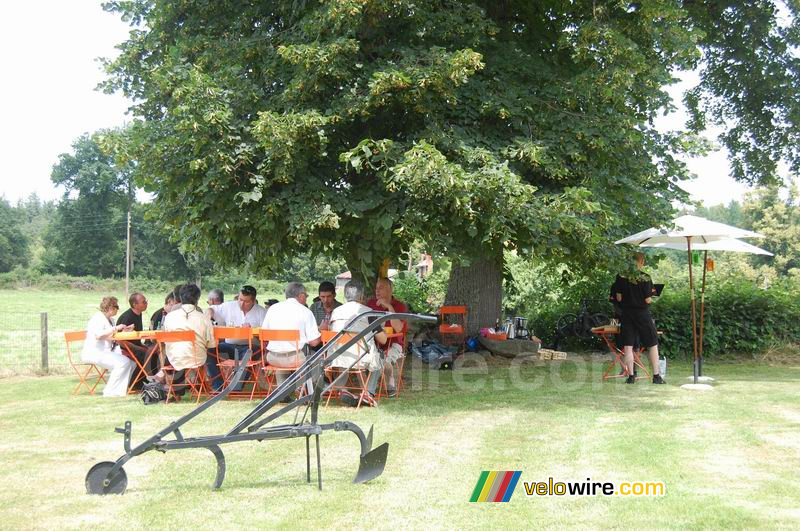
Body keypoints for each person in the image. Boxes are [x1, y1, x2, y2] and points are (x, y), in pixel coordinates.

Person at [330, 280, 388, 407]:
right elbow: (383, 340)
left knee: (345, 353)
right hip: (361, 357)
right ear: (362, 296)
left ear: (345, 295)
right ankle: (368, 393)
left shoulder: (335, 312)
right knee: (381, 356)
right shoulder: (368, 312)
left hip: (338, 357)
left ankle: (341, 389)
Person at [612, 252, 666, 384]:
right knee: (652, 344)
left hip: (627, 314)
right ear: (641, 262)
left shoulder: (620, 277)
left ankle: (631, 377)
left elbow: (618, 297)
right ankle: (656, 376)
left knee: (628, 346)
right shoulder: (645, 277)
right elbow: (648, 300)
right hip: (642, 314)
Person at [151, 284, 214, 395]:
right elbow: (211, 345)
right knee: (206, 353)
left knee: (174, 353)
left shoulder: (170, 317)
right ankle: (203, 384)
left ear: (179, 297)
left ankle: (174, 388)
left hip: (174, 358)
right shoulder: (203, 318)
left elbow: (165, 339)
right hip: (196, 359)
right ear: (197, 299)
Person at [205, 285, 267, 391]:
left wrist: (250, 332)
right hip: (229, 345)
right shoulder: (229, 306)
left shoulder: (261, 312)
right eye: (240, 299)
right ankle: (218, 384)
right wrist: (209, 314)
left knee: (251, 353)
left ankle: (236, 386)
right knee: (209, 350)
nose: (241, 304)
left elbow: (265, 338)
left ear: (253, 301)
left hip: (250, 346)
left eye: (246, 302)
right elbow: (212, 309)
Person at [261, 282, 321, 390]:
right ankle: (306, 389)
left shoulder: (273, 309)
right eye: (306, 296)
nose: (306, 299)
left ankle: (282, 389)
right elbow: (314, 342)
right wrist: (320, 332)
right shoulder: (305, 311)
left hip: (272, 357)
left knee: (283, 350)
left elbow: (264, 334)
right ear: (301, 296)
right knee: (317, 358)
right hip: (295, 358)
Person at [80, 296, 135, 397]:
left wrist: (123, 331)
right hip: (94, 352)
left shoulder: (111, 320)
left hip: (106, 352)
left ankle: (120, 390)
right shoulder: (98, 318)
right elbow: (99, 335)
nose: (117, 309)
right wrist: (115, 328)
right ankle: (110, 391)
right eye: (116, 307)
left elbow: (110, 336)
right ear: (110, 307)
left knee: (132, 363)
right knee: (123, 362)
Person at [366, 277, 408, 396]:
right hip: (375, 342)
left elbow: (399, 328)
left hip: (394, 343)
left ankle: (377, 389)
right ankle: (377, 389)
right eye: (376, 288)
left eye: (381, 288)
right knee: (375, 357)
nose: (377, 291)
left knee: (384, 359)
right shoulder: (370, 304)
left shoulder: (399, 306)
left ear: (390, 289)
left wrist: (390, 308)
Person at [116, 292, 159, 383]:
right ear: (135, 305)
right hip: (126, 349)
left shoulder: (138, 314)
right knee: (149, 356)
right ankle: (137, 383)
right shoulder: (127, 317)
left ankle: (151, 382)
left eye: (146, 301)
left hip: (135, 346)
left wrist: (143, 346)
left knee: (156, 353)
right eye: (144, 302)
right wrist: (139, 348)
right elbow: (119, 340)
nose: (146, 304)